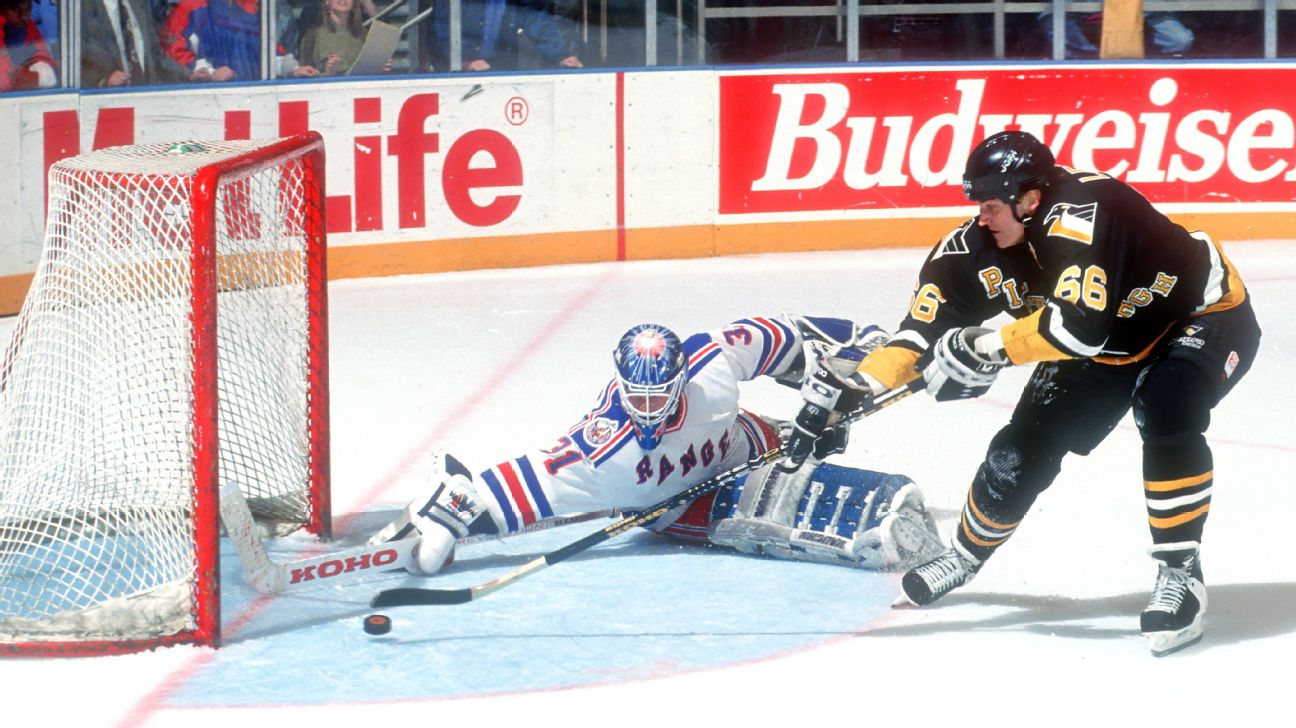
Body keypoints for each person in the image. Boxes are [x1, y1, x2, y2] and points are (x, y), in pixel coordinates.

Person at [788, 130, 1261, 656]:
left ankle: (1180, 572)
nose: (981, 218)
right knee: (1023, 444)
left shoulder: (1083, 210)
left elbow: (1080, 329)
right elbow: (916, 335)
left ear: (1029, 199)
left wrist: (984, 346)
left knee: (1168, 405)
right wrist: (858, 388)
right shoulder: (972, 250)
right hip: (1106, 344)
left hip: (1197, 316)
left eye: (991, 205)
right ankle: (966, 555)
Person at [371, 316, 943, 577]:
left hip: (738, 438)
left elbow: (784, 337)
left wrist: (856, 346)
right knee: (766, 515)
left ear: (679, 379)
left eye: (659, 395)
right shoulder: (607, 449)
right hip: (681, 502)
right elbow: (532, 479)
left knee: (800, 450)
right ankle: (875, 522)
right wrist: (456, 509)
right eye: (636, 396)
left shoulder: (711, 362)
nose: (647, 408)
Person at [162, 0, 318, 81]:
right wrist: (210, 73)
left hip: (252, 93)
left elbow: (268, 51)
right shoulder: (191, 6)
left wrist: (291, 68)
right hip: (206, 98)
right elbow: (171, 54)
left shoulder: (253, 6)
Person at [430, 0, 582, 72]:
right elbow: (442, 31)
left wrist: (561, 55)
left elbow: (537, 21)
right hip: (458, 74)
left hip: (500, 67)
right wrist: (466, 62)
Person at [82, 0, 188, 88]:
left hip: (145, 98)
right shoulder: (82, 8)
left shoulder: (139, 4)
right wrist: (103, 81)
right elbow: (76, 61)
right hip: (109, 102)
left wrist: (188, 74)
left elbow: (155, 54)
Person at [1039, 11, 1193, 58]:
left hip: (1137, 7)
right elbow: (1050, 18)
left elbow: (1178, 40)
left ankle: (1144, 65)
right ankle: (1093, 65)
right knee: (1052, 21)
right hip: (1084, 8)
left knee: (1179, 39)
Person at [298, 0, 368, 76]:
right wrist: (328, 72)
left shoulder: (363, 34)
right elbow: (306, 73)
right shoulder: (312, 35)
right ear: (327, 1)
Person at [0, 0, 57, 91]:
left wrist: (17, 76)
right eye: (17, 10)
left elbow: (49, 75)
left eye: (28, 10)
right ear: (3, 9)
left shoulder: (28, 26)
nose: (23, 17)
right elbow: (3, 82)